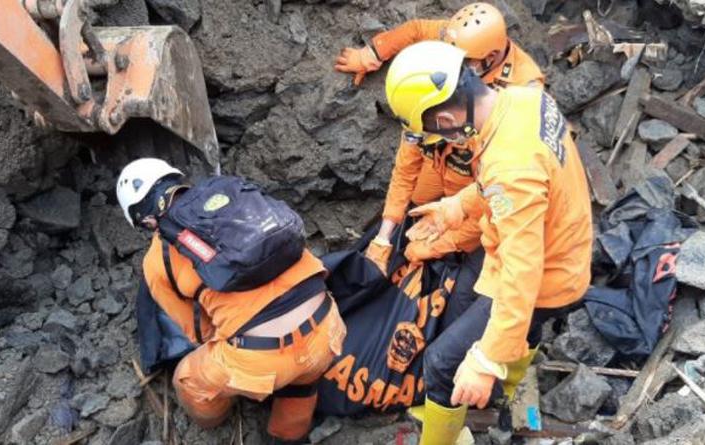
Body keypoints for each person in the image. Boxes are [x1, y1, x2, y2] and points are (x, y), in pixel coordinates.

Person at [384, 41, 593, 444]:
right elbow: (518, 183)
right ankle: (500, 389)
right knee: (467, 302)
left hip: (546, 278)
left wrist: (486, 359)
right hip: (561, 245)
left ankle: (445, 433)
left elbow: (522, 275)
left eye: (431, 133)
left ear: (446, 117)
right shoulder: (522, 99)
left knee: (443, 362)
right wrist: (456, 207)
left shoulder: (510, 170)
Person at [117, 158, 346, 444]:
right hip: (328, 329)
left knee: (188, 383)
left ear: (145, 220)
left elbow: (199, 332)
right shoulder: (232, 195)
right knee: (303, 380)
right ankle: (290, 436)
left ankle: (219, 424)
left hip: (262, 361)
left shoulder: (158, 258)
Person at [334, 3, 545, 275]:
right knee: (419, 200)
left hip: (476, 173)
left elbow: (497, 195)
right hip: (440, 157)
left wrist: (444, 244)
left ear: (490, 57)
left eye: (464, 65)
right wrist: (384, 235)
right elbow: (407, 160)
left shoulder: (521, 95)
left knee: (467, 235)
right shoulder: (452, 45)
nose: (454, 68)